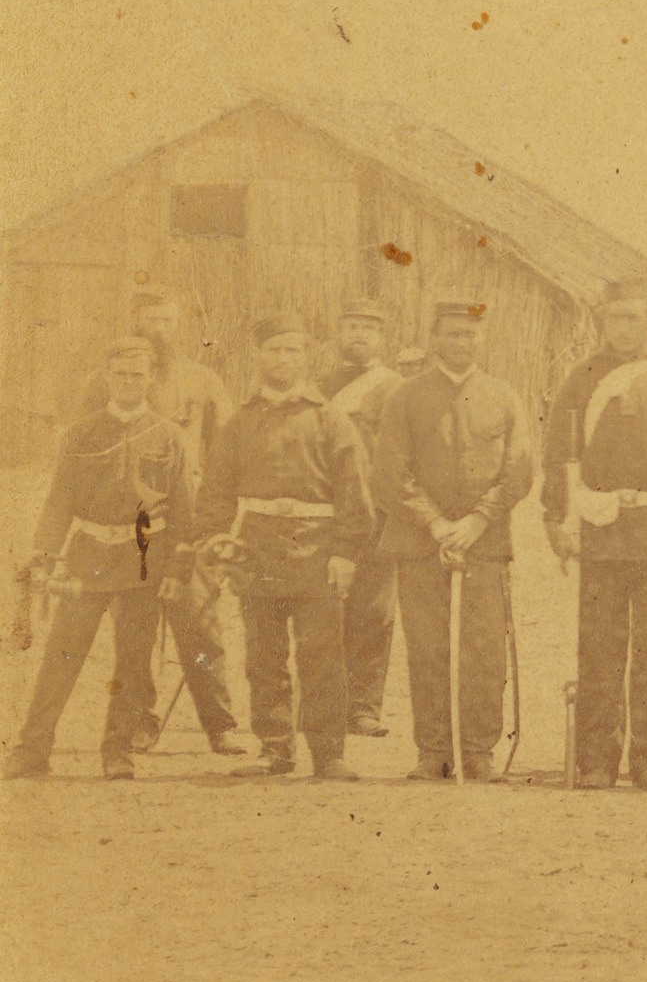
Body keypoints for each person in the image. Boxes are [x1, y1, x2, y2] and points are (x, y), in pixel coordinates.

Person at [192, 313, 377, 781]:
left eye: (292, 350)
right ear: (259, 356)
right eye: (274, 349)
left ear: (307, 356)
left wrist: (345, 554)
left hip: (317, 555)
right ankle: (274, 749)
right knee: (263, 657)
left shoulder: (330, 419)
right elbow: (215, 491)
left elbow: (356, 494)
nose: (282, 358)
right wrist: (217, 541)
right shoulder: (241, 421)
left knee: (322, 657)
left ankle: (328, 753)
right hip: (256, 553)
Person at [544, 280, 647, 790]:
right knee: (599, 648)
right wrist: (557, 520)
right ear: (603, 322)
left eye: (635, 317)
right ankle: (596, 759)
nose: (623, 327)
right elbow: (558, 453)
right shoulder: (581, 378)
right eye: (615, 317)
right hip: (602, 533)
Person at [8, 338, 189, 780]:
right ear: (108, 378)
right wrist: (45, 555)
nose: (128, 383)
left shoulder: (168, 434)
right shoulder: (82, 432)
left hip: (142, 561)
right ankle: (32, 750)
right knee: (62, 655)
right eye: (120, 374)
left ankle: (117, 750)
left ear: (151, 379)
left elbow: (183, 509)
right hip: (87, 557)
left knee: (132, 661)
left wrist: (178, 570)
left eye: (137, 375)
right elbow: (59, 500)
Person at [373, 299, 537, 782]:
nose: (461, 343)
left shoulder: (504, 397)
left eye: (469, 334)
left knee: (483, 650)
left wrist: (478, 521)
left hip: (485, 545)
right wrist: (436, 524)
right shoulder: (405, 397)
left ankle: (479, 750)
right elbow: (389, 472)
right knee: (428, 647)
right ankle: (434, 751)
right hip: (420, 544)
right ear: (435, 339)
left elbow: (519, 470)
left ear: (482, 339)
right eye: (451, 334)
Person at [91, 286, 243, 756]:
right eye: (150, 320)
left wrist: (213, 516)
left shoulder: (202, 380)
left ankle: (219, 724)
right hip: (129, 527)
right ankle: (140, 719)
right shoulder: (108, 381)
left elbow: (226, 450)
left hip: (185, 519)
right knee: (133, 632)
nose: (158, 330)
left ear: (179, 325)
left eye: (167, 321)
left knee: (198, 623)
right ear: (135, 322)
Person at [319, 297, 404, 739]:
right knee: (323, 607)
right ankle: (323, 703)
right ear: (339, 333)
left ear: (382, 337)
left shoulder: (397, 388)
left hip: (378, 511)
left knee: (373, 608)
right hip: (327, 510)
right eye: (351, 326)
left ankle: (364, 707)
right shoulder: (319, 386)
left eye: (368, 329)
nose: (358, 335)